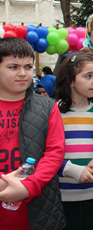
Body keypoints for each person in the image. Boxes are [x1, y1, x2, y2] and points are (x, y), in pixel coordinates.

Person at [0, 37, 66, 230]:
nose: (23, 73)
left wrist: (29, 186)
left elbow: (54, 152)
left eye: (28, 67)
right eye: (13, 67)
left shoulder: (47, 107)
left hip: (38, 212)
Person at [55, 52, 93, 230]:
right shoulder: (54, 112)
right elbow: (45, 153)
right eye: (88, 76)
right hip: (65, 194)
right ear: (71, 80)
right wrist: (71, 170)